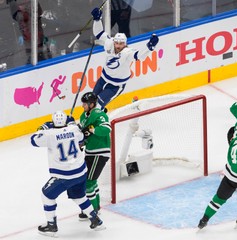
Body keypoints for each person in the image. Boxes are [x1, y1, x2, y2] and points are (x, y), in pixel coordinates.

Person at [30, 111, 105, 237]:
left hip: (64, 176)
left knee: (47, 195)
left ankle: (51, 226)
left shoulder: (49, 134)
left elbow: (33, 140)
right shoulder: (74, 130)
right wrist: (71, 123)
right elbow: (81, 136)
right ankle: (96, 220)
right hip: (80, 172)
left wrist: (44, 127)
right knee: (79, 196)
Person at [90, 7, 159, 111]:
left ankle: (97, 122)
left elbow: (139, 55)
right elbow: (99, 33)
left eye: (121, 43)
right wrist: (97, 20)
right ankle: (91, 118)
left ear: (125, 44)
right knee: (91, 101)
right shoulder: (109, 43)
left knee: (98, 104)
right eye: (117, 43)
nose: (118, 45)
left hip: (116, 85)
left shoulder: (127, 53)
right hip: (103, 79)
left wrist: (149, 47)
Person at [78, 92, 111, 220]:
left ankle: (92, 212)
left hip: (100, 152)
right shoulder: (83, 116)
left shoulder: (99, 114)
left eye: (85, 104)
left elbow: (106, 129)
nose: (83, 106)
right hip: (90, 151)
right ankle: (96, 208)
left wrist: (93, 130)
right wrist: (82, 142)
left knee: (88, 182)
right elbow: (84, 134)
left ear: (92, 104)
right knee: (92, 181)